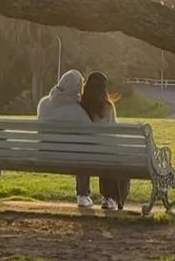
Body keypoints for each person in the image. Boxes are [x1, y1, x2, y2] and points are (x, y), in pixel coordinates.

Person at [36, 69, 94, 207]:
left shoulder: (43, 103)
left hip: (44, 153)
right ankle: (83, 194)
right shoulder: (78, 111)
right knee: (84, 151)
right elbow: (91, 134)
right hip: (70, 156)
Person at [81, 71, 130, 211]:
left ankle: (86, 195)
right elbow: (114, 132)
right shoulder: (108, 107)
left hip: (85, 153)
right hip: (105, 153)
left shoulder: (81, 106)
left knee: (104, 151)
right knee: (111, 154)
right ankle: (110, 198)